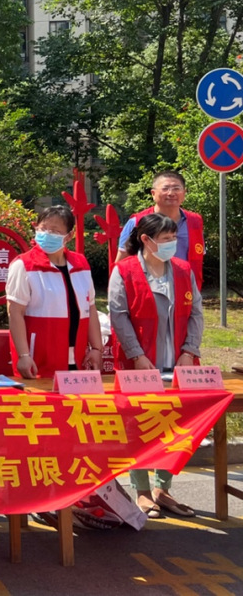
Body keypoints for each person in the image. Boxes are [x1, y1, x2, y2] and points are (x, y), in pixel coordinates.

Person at [109, 212, 203, 519]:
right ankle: (142, 491)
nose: (171, 244)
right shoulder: (124, 270)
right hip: (140, 363)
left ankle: (164, 488)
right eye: (165, 239)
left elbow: (197, 312)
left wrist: (189, 351)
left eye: (174, 238)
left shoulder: (182, 269)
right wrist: (137, 355)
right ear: (146, 240)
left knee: (175, 424)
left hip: (178, 361)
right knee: (138, 423)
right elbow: (119, 315)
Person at [6, 205, 104, 379]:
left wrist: (96, 348)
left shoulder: (80, 264)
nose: (47, 234)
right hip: (38, 360)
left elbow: (90, 307)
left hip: (78, 358)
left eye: (55, 231)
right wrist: (23, 355)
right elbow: (15, 313)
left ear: (69, 236)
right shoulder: (24, 265)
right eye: (43, 229)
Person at [116, 170, 204, 287]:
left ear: (184, 193)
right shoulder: (137, 222)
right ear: (153, 193)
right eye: (165, 188)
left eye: (176, 188)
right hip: (146, 289)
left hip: (186, 288)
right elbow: (121, 263)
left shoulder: (195, 221)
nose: (171, 193)